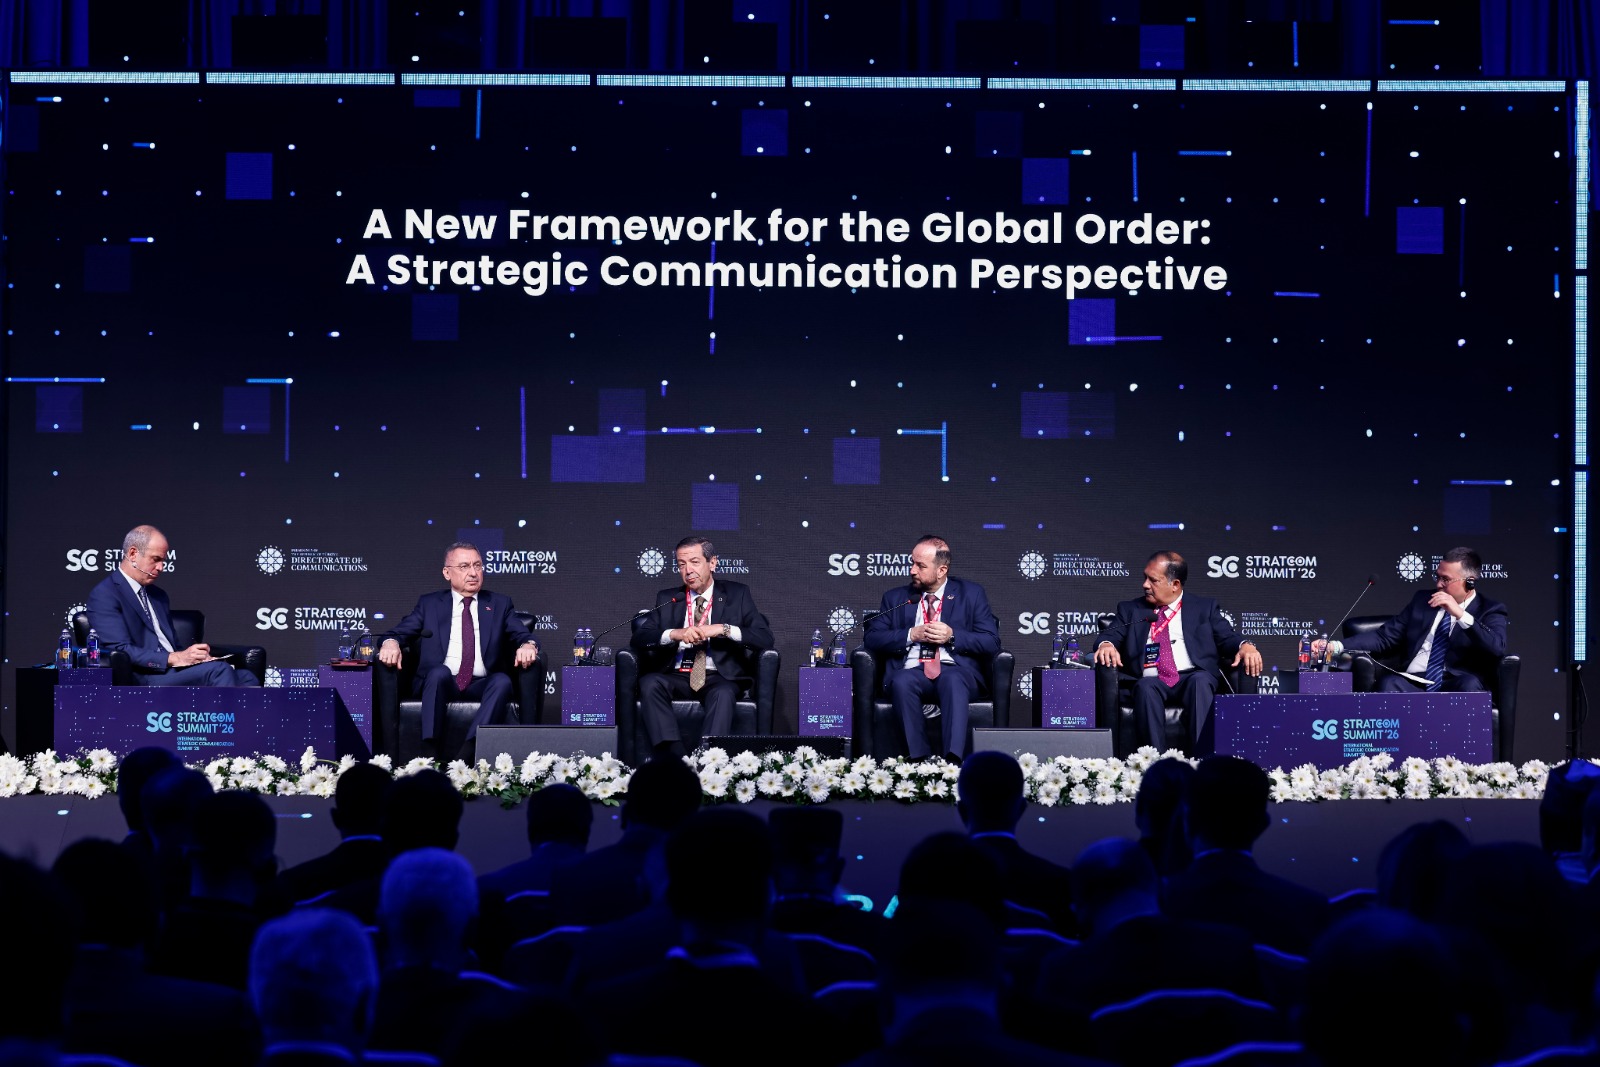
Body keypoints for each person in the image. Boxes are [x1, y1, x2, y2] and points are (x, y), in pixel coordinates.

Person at [379, 541, 539, 760]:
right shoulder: (430, 604)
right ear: (447, 573)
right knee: (438, 673)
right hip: (440, 683)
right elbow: (397, 633)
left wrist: (528, 645)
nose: (473, 573)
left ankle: (469, 751)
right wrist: (390, 643)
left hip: (481, 683)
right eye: (464, 566)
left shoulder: (499, 604)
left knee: (502, 681)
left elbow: (522, 634)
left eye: (477, 565)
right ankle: (429, 753)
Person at [1093, 550, 1260, 753]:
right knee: (1145, 687)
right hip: (1151, 679)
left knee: (1200, 681)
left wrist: (1245, 645)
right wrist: (1107, 645)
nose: (1145, 585)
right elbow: (1110, 635)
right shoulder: (1131, 609)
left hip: (1192, 676)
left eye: (1153, 580)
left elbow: (1227, 637)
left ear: (1175, 584)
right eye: (1145, 578)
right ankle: (1153, 761)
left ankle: (1203, 760)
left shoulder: (1204, 608)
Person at [629, 535, 774, 758]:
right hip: (677, 674)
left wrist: (722, 629)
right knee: (649, 683)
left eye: (695, 562)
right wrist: (676, 634)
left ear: (712, 562)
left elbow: (764, 638)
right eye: (681, 564)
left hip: (718, 675)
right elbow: (639, 637)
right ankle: (676, 758)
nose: (688, 570)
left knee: (723, 694)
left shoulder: (738, 594)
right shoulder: (669, 598)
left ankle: (705, 760)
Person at [863, 535, 1001, 762]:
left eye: (920, 565)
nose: (912, 570)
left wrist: (952, 636)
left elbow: (991, 641)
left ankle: (952, 763)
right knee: (902, 681)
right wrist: (911, 634)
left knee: (952, 680)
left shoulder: (971, 594)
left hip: (955, 670)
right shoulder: (896, 598)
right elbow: (872, 638)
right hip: (912, 670)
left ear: (941, 570)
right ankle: (919, 762)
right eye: (912, 563)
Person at [1316, 546, 1507, 693]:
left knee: (1469, 685)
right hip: (1414, 680)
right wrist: (1335, 646)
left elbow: (1496, 647)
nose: (1438, 584)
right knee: (1389, 683)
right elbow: (1384, 637)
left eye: (1446, 579)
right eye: (1437, 577)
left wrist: (1460, 614)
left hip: (1456, 681)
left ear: (1469, 582)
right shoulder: (1423, 601)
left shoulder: (1490, 609)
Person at [85, 524, 258, 686]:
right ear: (132, 554)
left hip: (174, 670)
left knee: (246, 677)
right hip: (145, 675)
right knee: (218, 671)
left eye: (163, 561)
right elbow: (120, 650)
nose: (161, 567)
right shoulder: (105, 594)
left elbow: (171, 644)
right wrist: (174, 658)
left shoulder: (158, 595)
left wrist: (194, 657)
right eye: (155, 559)